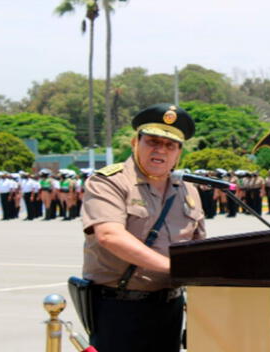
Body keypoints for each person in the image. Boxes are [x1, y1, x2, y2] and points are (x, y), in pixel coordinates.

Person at [81, 103, 205, 352]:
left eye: (170, 145)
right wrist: (172, 268)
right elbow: (109, 236)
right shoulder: (109, 182)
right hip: (119, 308)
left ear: (179, 153)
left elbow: (198, 247)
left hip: (170, 307)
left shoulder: (187, 191)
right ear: (135, 143)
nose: (160, 150)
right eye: (152, 142)